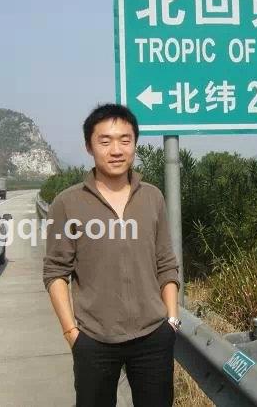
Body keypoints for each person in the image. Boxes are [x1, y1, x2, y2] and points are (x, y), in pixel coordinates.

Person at [43, 103, 181, 407]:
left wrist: (171, 321)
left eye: (125, 140)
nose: (116, 150)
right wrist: (72, 333)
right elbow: (55, 272)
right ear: (89, 146)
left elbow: (166, 263)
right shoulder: (67, 203)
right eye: (105, 141)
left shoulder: (152, 197)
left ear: (135, 144)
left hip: (153, 337)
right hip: (93, 340)